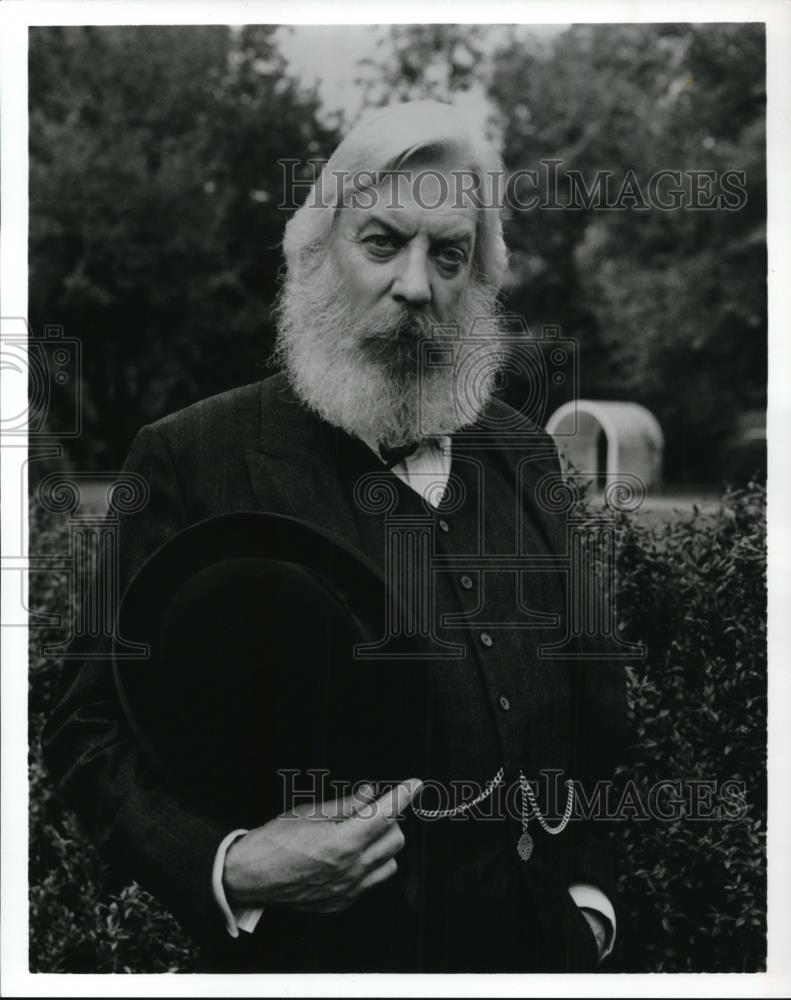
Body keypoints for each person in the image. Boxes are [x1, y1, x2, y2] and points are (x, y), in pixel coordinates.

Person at [42, 100, 628, 974]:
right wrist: (234, 865)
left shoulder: (521, 451)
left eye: (449, 255)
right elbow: (86, 731)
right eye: (382, 242)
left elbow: (595, 707)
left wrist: (588, 904)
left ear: (477, 283)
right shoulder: (192, 458)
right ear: (315, 254)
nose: (416, 285)